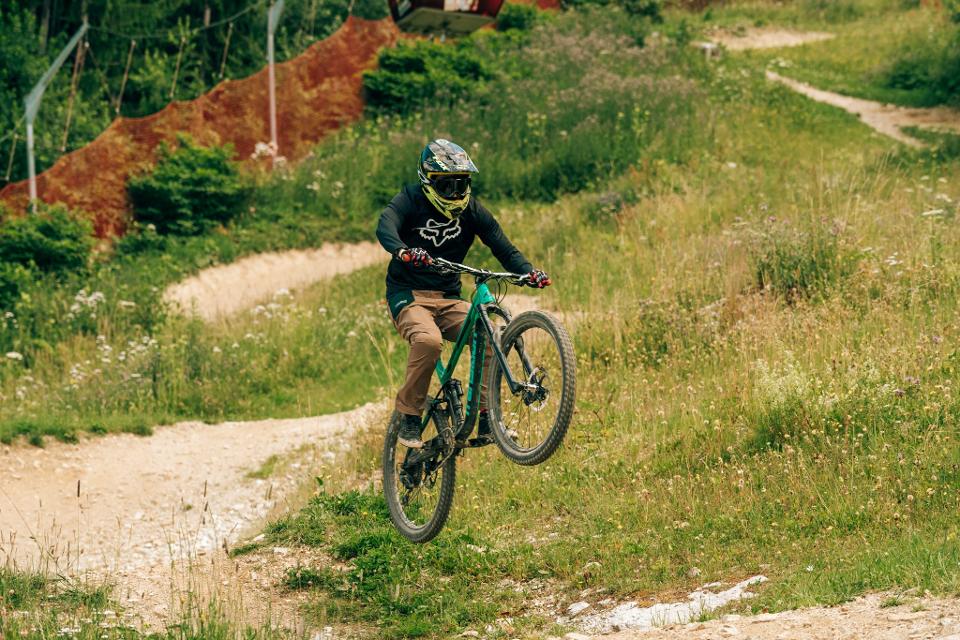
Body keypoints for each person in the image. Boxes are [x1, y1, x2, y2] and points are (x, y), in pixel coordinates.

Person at [376, 139, 551, 449]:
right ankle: (409, 416)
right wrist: (402, 251)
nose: (455, 193)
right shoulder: (409, 199)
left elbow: (502, 246)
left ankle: (487, 415)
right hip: (409, 295)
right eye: (447, 185)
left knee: (490, 335)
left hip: (448, 297)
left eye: (462, 184)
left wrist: (527, 271)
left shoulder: (472, 210)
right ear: (428, 181)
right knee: (428, 341)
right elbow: (385, 225)